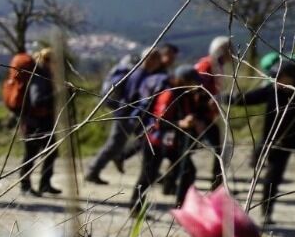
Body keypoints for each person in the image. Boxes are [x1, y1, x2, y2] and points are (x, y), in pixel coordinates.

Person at [130, 66, 209, 214]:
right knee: (148, 176)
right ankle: (135, 207)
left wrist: (195, 120)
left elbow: (188, 113)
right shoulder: (168, 94)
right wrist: (181, 123)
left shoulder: (185, 95)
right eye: (192, 82)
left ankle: (181, 207)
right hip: (155, 142)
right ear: (181, 80)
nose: (195, 86)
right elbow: (160, 122)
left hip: (171, 143)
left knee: (188, 171)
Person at [231, 60, 295, 224]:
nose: (276, 82)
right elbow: (247, 99)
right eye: (274, 78)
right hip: (277, 142)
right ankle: (266, 212)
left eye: (280, 78)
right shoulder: (272, 91)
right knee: (273, 177)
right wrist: (223, 97)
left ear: (292, 77)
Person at [85, 52, 141, 185]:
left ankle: (119, 158)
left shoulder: (121, 70)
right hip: (124, 112)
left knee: (141, 139)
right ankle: (92, 171)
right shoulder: (129, 73)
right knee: (115, 143)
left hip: (125, 111)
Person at [18, 48, 60, 196]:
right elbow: (37, 101)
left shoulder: (46, 75)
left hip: (45, 121)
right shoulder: (38, 76)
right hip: (34, 122)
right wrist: (58, 93)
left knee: (51, 152)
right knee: (31, 154)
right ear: (46, 60)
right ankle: (25, 185)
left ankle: (45, 184)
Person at [195, 36, 233, 187]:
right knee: (220, 149)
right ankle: (217, 184)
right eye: (228, 49)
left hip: (208, 115)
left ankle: (217, 184)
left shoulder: (218, 66)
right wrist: (207, 102)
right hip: (199, 114)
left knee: (220, 148)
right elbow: (196, 89)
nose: (232, 53)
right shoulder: (206, 65)